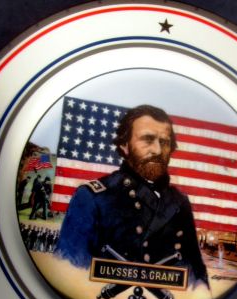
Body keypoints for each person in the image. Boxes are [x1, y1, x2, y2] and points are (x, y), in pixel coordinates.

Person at [54, 105, 209, 287]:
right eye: (147, 140)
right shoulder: (92, 197)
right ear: (124, 145)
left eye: (164, 142)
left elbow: (197, 278)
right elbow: (69, 276)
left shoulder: (179, 203)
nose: (157, 150)